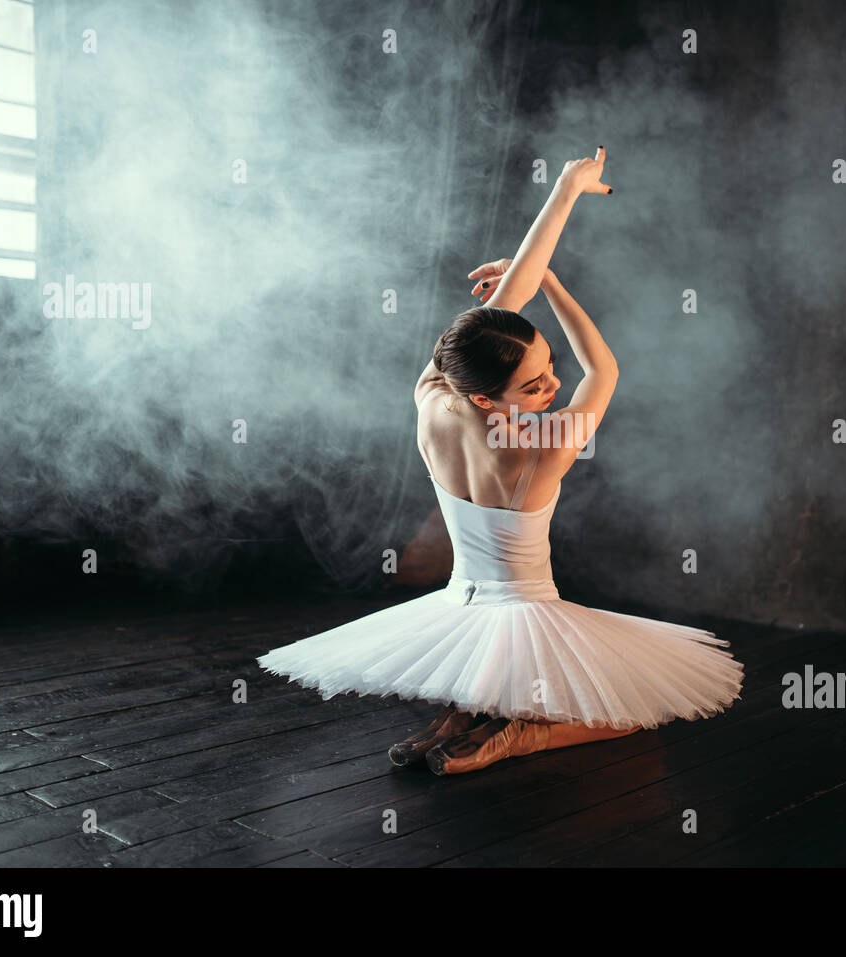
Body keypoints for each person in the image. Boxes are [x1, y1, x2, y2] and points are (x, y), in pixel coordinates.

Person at [258, 146, 744, 775]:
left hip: (464, 605)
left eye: (548, 370)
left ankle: (462, 716)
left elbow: (499, 313)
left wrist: (565, 190)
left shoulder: (434, 397)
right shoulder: (544, 449)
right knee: (632, 714)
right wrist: (557, 287)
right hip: (527, 612)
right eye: (535, 385)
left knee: (538, 686)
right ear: (488, 397)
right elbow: (603, 368)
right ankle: (513, 737)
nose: (551, 388)